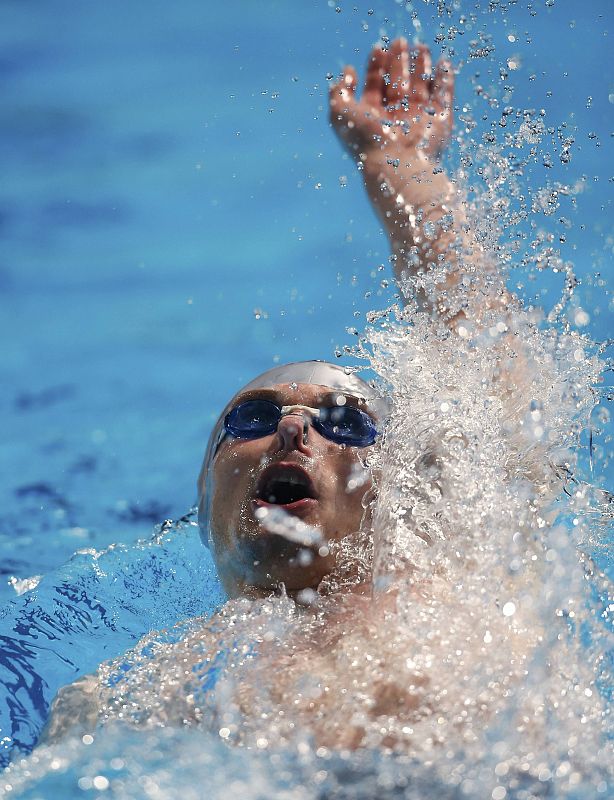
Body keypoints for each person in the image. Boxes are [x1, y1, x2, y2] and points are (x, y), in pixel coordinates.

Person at [40, 38, 531, 747]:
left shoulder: (466, 589)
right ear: (204, 496)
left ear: (398, 494)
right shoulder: (134, 695)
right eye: (254, 418)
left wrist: (399, 164)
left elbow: (484, 354)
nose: (295, 430)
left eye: (344, 423)